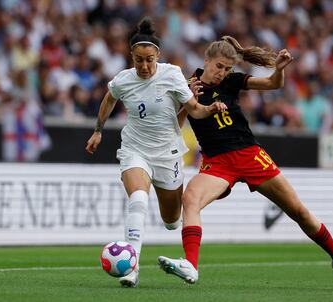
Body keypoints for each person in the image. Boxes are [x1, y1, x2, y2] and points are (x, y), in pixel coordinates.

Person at [157, 36, 333, 284]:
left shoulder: (232, 81)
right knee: (190, 199)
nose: (222, 73)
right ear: (206, 60)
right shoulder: (185, 86)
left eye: (227, 68)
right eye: (219, 66)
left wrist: (278, 70)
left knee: (299, 212)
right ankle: (191, 265)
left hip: (250, 155)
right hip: (217, 162)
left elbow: (272, 84)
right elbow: (175, 126)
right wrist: (187, 103)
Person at [85, 17, 227, 288]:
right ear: (132, 56)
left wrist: (208, 109)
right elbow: (109, 98)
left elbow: (194, 108)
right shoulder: (123, 80)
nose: (145, 65)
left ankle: (160, 234)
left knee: (172, 221)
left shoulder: (172, 74)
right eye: (139, 59)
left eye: (149, 59)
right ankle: (132, 267)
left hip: (168, 155)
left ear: (157, 56)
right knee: (138, 198)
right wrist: (98, 129)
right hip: (135, 149)